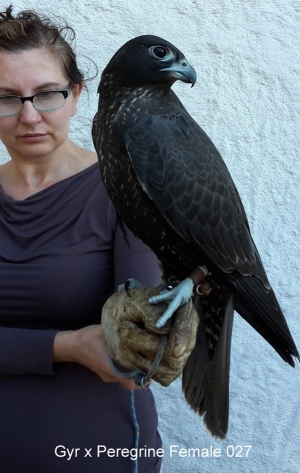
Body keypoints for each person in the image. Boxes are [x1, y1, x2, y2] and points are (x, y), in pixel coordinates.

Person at [0, 5, 162, 472]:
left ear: (75, 94)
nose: (29, 116)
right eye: (7, 97)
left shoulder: (126, 189)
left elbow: (136, 344)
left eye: (46, 94)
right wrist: (66, 346)